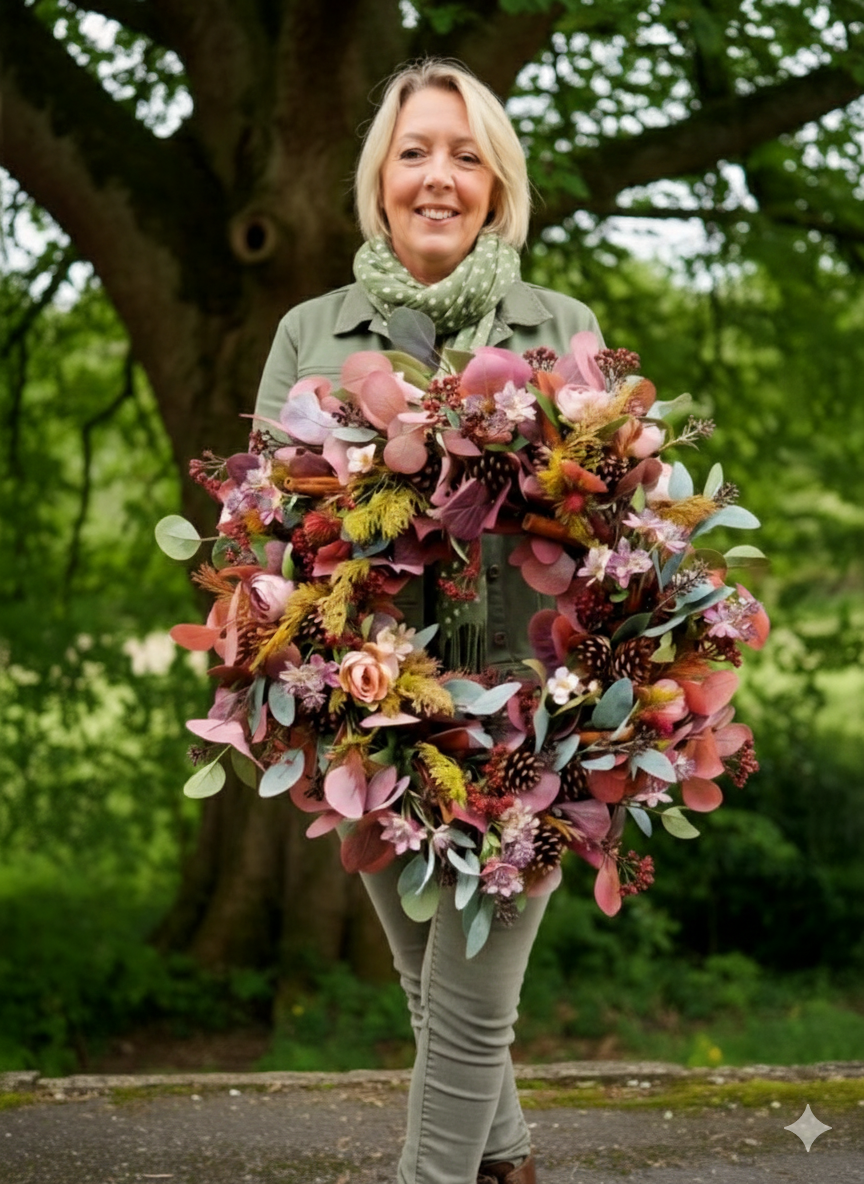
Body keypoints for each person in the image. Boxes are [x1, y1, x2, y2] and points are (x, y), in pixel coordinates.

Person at [255, 59, 604, 1184]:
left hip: (531, 724)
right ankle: (507, 1162)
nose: (439, 176)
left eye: (466, 154)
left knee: (468, 1007)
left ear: (498, 183)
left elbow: (608, 527)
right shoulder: (311, 329)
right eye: (414, 153)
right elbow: (260, 531)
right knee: (432, 984)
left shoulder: (562, 326)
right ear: (380, 180)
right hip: (365, 715)